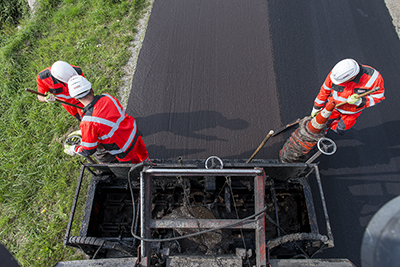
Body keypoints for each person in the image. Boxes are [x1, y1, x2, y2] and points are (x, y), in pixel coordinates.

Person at [64, 75, 150, 164]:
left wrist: (74, 149)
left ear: (76, 98)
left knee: (134, 167)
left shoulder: (88, 122)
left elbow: (88, 150)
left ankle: (144, 173)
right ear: (91, 90)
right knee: (143, 154)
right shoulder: (107, 97)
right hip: (134, 133)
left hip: (124, 148)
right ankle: (149, 163)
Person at [311, 58, 385, 135]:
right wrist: (316, 107)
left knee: (340, 130)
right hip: (333, 107)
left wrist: (359, 101)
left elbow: (378, 97)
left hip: (351, 112)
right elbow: (324, 91)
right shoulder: (336, 73)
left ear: (352, 77)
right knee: (322, 123)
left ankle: (331, 129)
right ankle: (323, 131)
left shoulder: (374, 78)